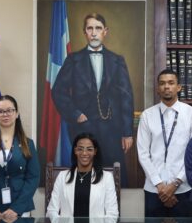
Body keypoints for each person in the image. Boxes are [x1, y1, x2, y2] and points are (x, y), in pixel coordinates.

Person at [51, 12, 135, 184]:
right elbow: (58, 91)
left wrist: (127, 132)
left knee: (114, 177)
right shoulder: (73, 60)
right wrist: (75, 114)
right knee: (83, 178)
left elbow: (126, 97)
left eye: (98, 28)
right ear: (85, 32)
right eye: (90, 28)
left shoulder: (117, 60)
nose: (94, 32)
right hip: (82, 128)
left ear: (105, 31)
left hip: (112, 128)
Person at [137, 69, 192, 217]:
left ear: (178, 87)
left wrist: (175, 183)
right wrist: (160, 185)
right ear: (158, 88)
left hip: (183, 189)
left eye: (171, 83)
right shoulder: (147, 115)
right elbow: (143, 153)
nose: (166, 87)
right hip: (154, 189)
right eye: (162, 83)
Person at [45, 133, 120, 219]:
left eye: (89, 149)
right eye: (80, 149)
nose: (84, 153)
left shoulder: (107, 178)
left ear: (95, 151)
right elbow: (51, 211)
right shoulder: (62, 176)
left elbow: (112, 213)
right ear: (75, 150)